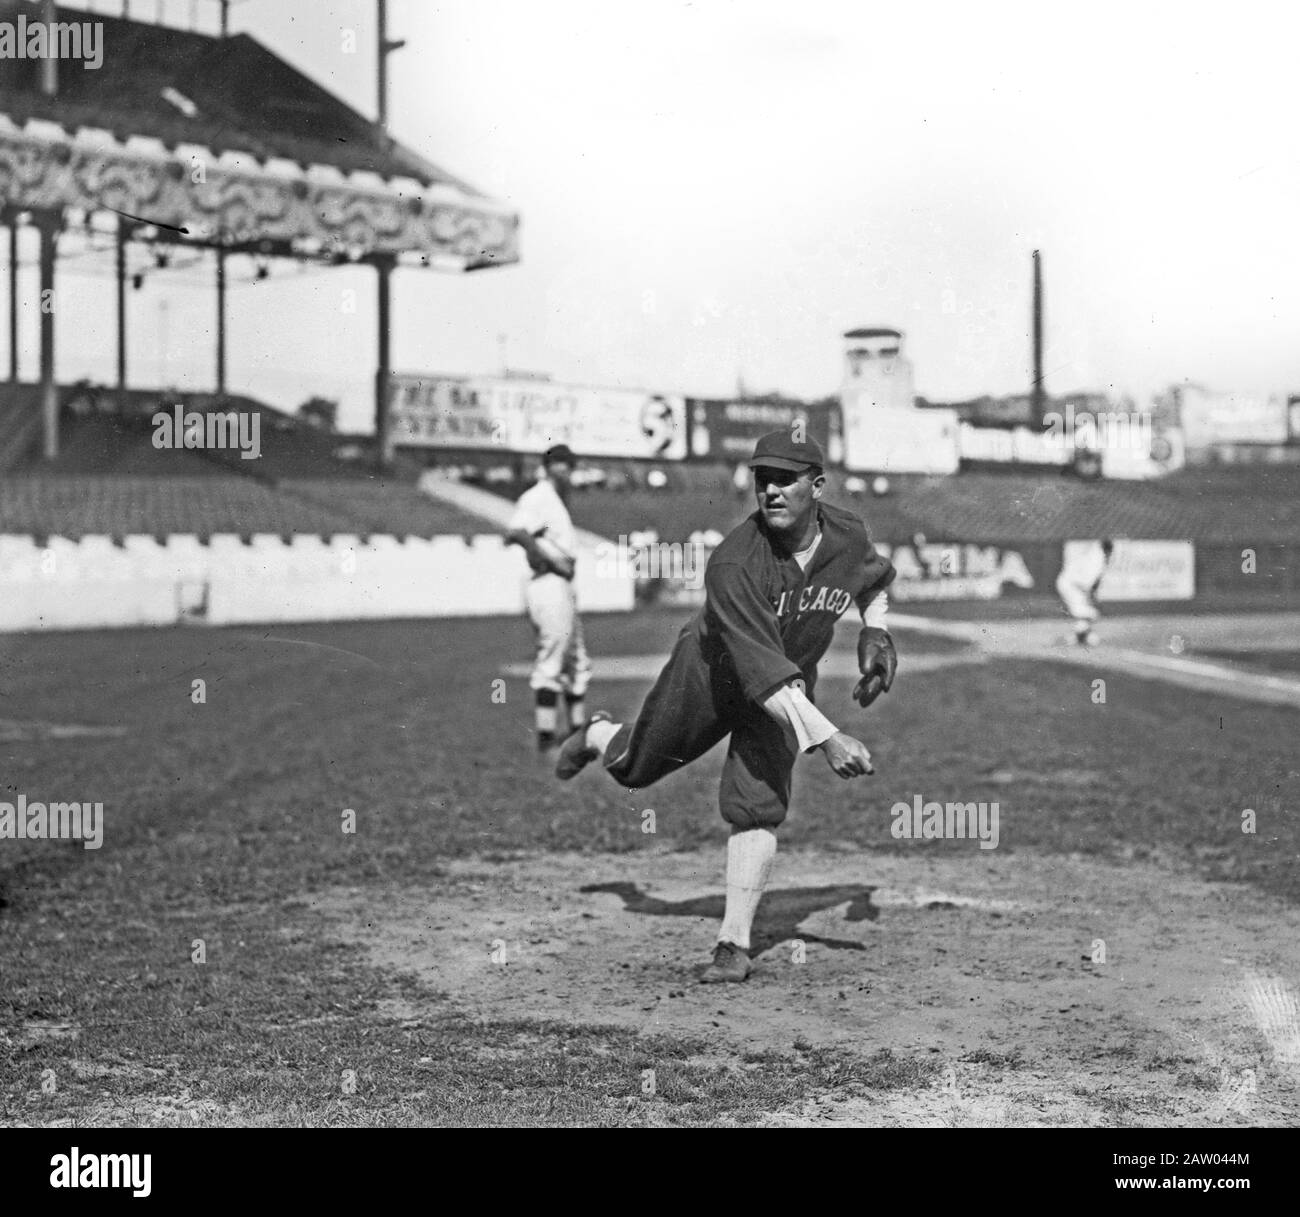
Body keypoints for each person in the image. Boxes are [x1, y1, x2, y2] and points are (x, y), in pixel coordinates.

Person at [555, 429, 897, 983]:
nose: (772, 491)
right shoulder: (737, 562)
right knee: (635, 767)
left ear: (818, 485)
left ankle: (732, 943)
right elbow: (761, 675)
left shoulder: (848, 534)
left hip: (785, 680)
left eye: (786, 479)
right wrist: (828, 736)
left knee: (757, 803)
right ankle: (598, 735)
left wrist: (876, 633)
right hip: (712, 675)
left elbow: (873, 581)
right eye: (763, 479)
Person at [504, 444, 592, 753]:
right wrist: (551, 560)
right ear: (547, 467)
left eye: (569, 464)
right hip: (547, 581)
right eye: (559, 464)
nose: (564, 470)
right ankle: (545, 737)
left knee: (577, 659)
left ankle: (577, 732)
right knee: (553, 655)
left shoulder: (555, 499)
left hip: (563, 584)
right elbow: (515, 531)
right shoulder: (538, 496)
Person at [1055, 538, 1115, 646]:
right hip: (1071, 585)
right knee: (1089, 613)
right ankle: (1077, 638)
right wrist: (1091, 597)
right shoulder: (1098, 559)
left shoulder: (1096, 551)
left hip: (1070, 583)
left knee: (1087, 612)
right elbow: (1088, 584)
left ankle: (1078, 637)